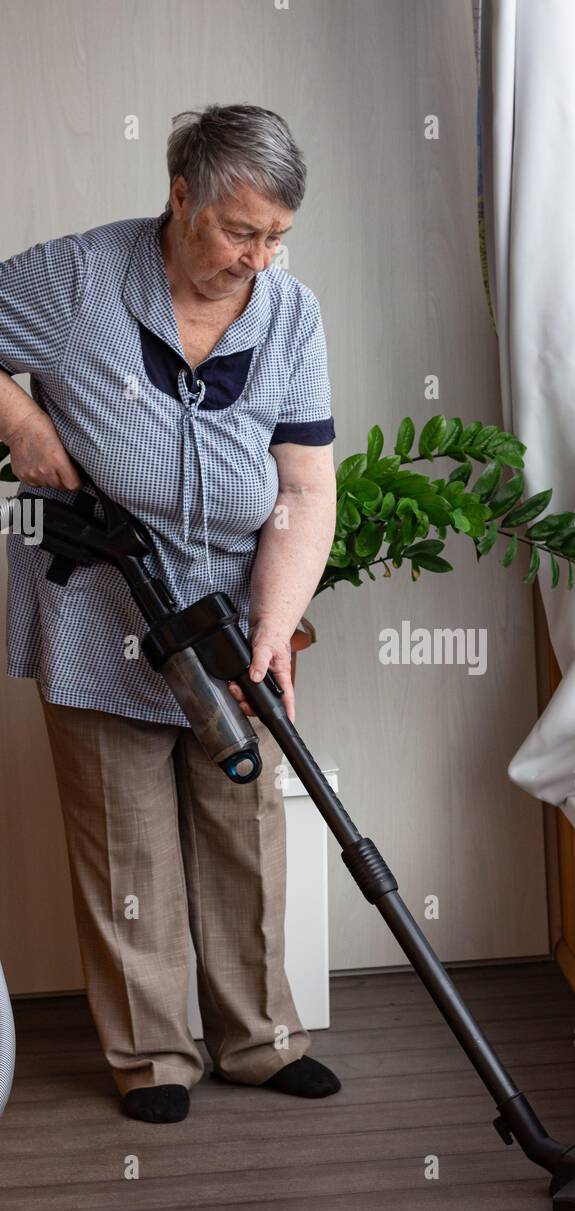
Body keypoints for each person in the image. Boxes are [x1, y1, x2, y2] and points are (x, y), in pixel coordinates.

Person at [0, 103, 341, 1123]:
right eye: (239, 230)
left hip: (230, 616)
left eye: (276, 235)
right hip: (98, 608)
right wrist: (19, 417)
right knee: (124, 840)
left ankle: (262, 1040)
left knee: (246, 827)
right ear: (179, 195)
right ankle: (153, 1056)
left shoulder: (289, 314)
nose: (256, 258)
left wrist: (274, 628)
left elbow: (306, 487)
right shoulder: (78, 278)